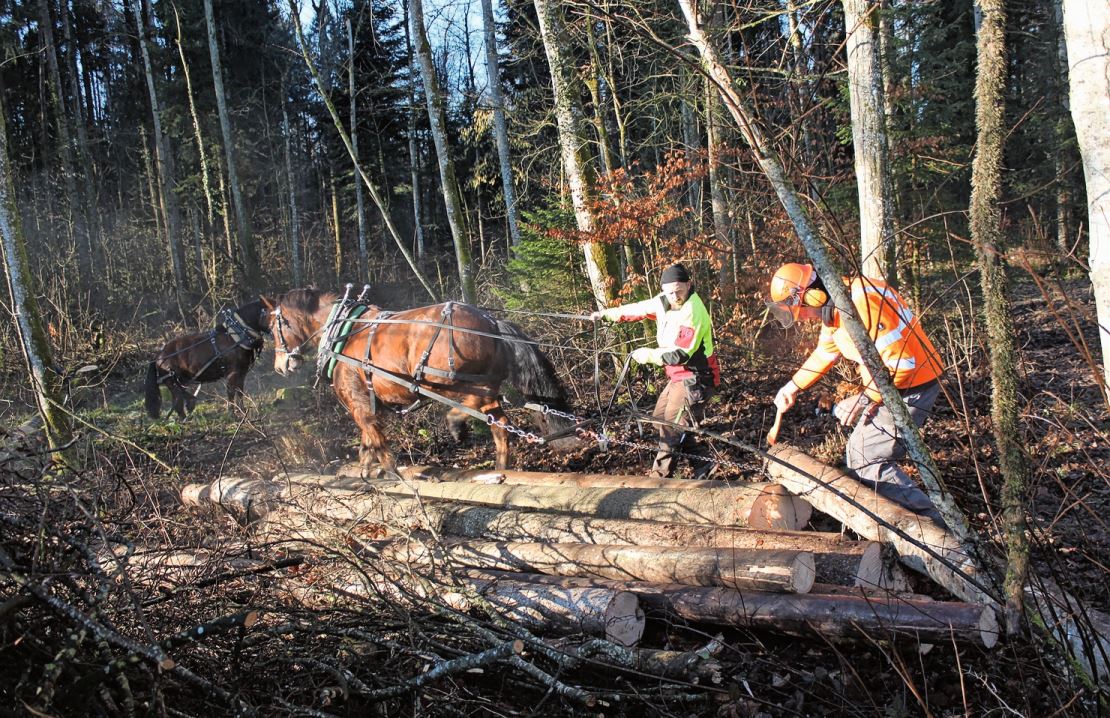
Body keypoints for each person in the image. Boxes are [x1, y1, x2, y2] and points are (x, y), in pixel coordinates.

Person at [766, 262, 946, 524]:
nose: (804, 318)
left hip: (911, 387)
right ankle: (901, 520)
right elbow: (826, 352)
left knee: (865, 457)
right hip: (889, 388)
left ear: (812, 295)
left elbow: (902, 364)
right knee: (859, 452)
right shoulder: (836, 309)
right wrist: (792, 386)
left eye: (802, 311)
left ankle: (932, 530)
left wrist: (865, 399)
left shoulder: (860, 305)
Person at [591, 263, 721, 478]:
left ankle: (659, 480)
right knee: (660, 419)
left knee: (670, 428)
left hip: (696, 378)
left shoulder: (693, 310)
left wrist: (647, 355)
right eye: (670, 291)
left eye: (679, 290)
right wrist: (605, 315)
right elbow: (637, 309)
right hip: (678, 377)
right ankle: (704, 464)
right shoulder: (663, 301)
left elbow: (681, 354)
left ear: (689, 285)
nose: (674, 296)